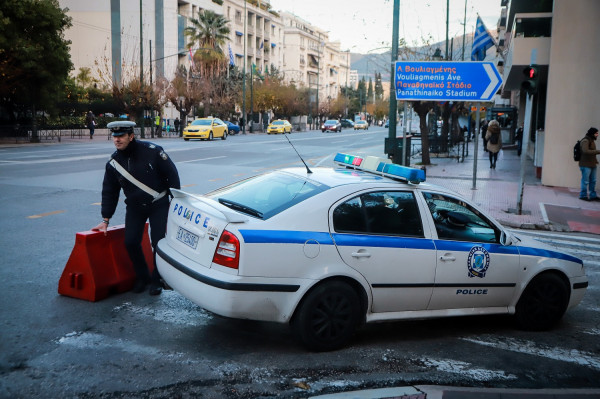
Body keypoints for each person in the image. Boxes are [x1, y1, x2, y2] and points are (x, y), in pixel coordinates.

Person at [92, 121, 181, 295]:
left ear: (131, 136)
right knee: (131, 242)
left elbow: (172, 175)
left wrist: (175, 200)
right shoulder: (113, 163)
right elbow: (109, 192)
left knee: (158, 243)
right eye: (114, 136)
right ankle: (143, 277)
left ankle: (157, 279)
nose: (117, 140)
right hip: (135, 206)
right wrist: (105, 219)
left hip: (158, 204)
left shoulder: (152, 151)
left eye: (121, 136)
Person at [578, 127, 600, 201]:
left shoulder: (592, 140)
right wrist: (598, 151)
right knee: (585, 181)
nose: (597, 135)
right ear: (592, 133)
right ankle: (583, 195)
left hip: (592, 164)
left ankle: (593, 195)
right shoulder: (585, 140)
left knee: (593, 180)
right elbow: (585, 151)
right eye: (596, 133)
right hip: (585, 164)